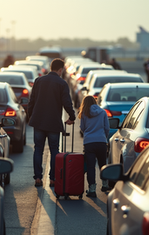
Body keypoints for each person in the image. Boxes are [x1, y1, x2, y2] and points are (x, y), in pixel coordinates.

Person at [28, 58, 76, 187]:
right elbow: (67, 103)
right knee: (55, 150)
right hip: (53, 122)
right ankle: (53, 178)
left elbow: (31, 101)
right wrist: (72, 116)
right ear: (60, 69)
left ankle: (38, 178)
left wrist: (29, 116)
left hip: (38, 121)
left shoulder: (38, 81)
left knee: (38, 150)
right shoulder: (61, 83)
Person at [78, 95, 110, 197]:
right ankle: (105, 185)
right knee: (102, 164)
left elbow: (82, 128)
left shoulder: (84, 113)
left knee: (91, 166)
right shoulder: (103, 112)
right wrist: (103, 137)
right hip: (101, 141)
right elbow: (107, 128)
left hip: (89, 143)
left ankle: (92, 190)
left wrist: (88, 134)